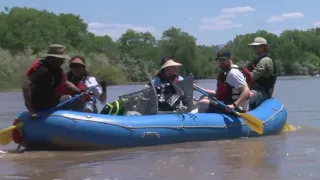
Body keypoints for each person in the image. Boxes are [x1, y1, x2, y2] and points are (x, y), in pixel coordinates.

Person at [22, 44, 80, 113]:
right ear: (54, 58)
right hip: (42, 106)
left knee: (75, 97)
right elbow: (26, 85)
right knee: (73, 100)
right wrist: (30, 108)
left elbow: (65, 82)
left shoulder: (55, 69)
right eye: (61, 59)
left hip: (50, 101)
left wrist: (79, 91)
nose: (63, 61)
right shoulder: (42, 70)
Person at [241, 37, 277, 108]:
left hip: (263, 91)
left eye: (256, 46)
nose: (254, 48)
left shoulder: (265, 60)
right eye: (253, 47)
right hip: (253, 89)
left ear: (263, 47)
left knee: (247, 96)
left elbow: (254, 75)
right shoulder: (255, 60)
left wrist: (239, 79)